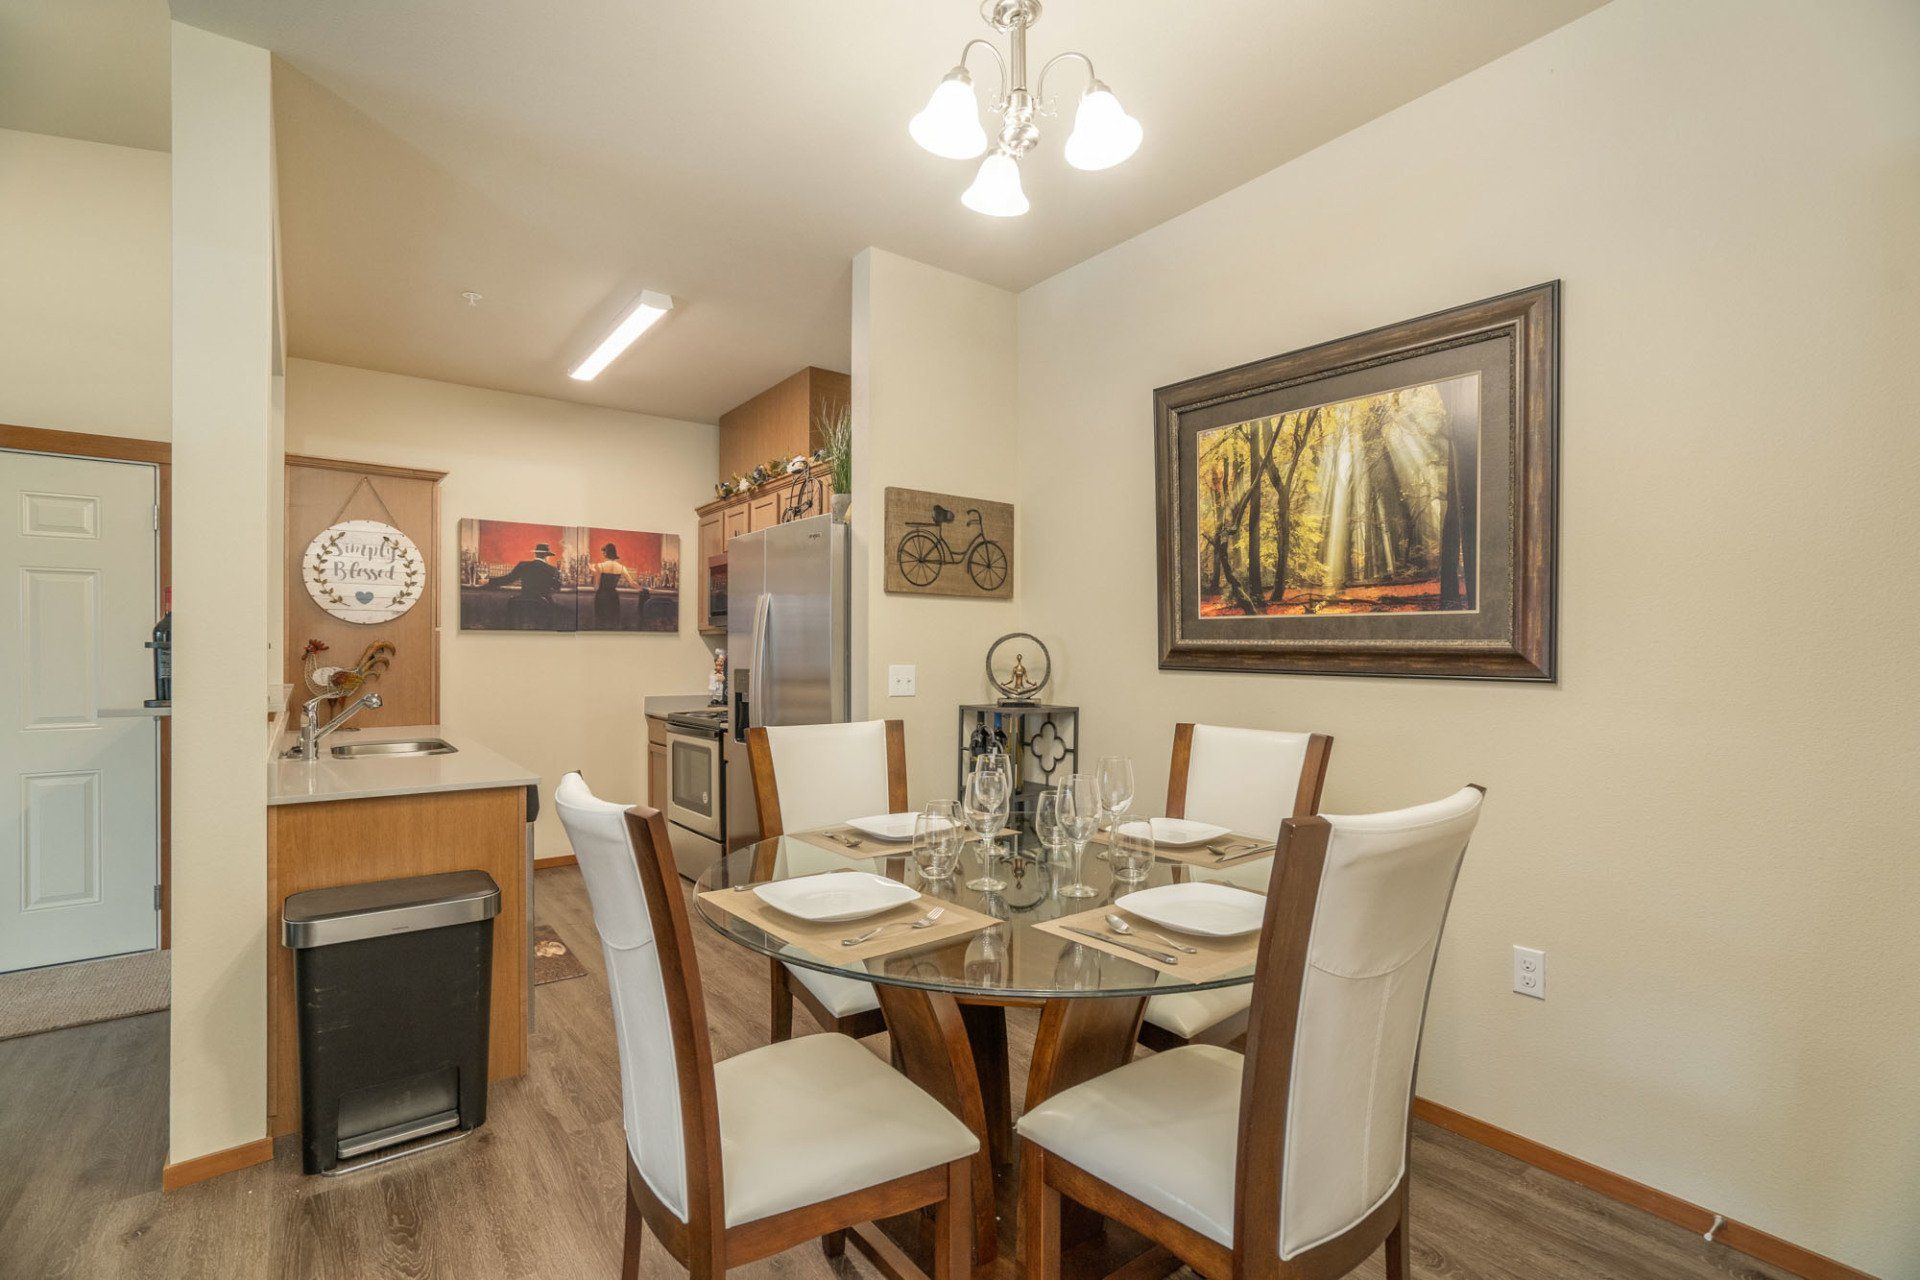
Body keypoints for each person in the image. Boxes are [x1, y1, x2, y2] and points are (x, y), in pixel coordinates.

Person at [486, 541, 564, 629]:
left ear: (535, 554)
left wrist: (489, 581)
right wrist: (559, 576)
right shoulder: (552, 569)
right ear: (547, 556)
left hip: (522, 602)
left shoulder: (523, 565)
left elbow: (507, 579)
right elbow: (557, 587)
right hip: (542, 604)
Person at [590, 543, 639, 629]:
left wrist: (593, 572)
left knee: (601, 623)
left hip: (601, 597)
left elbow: (596, 587)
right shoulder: (622, 567)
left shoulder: (599, 566)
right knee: (613, 622)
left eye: (603, 553)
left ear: (605, 553)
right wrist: (645, 588)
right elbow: (632, 583)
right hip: (613, 597)